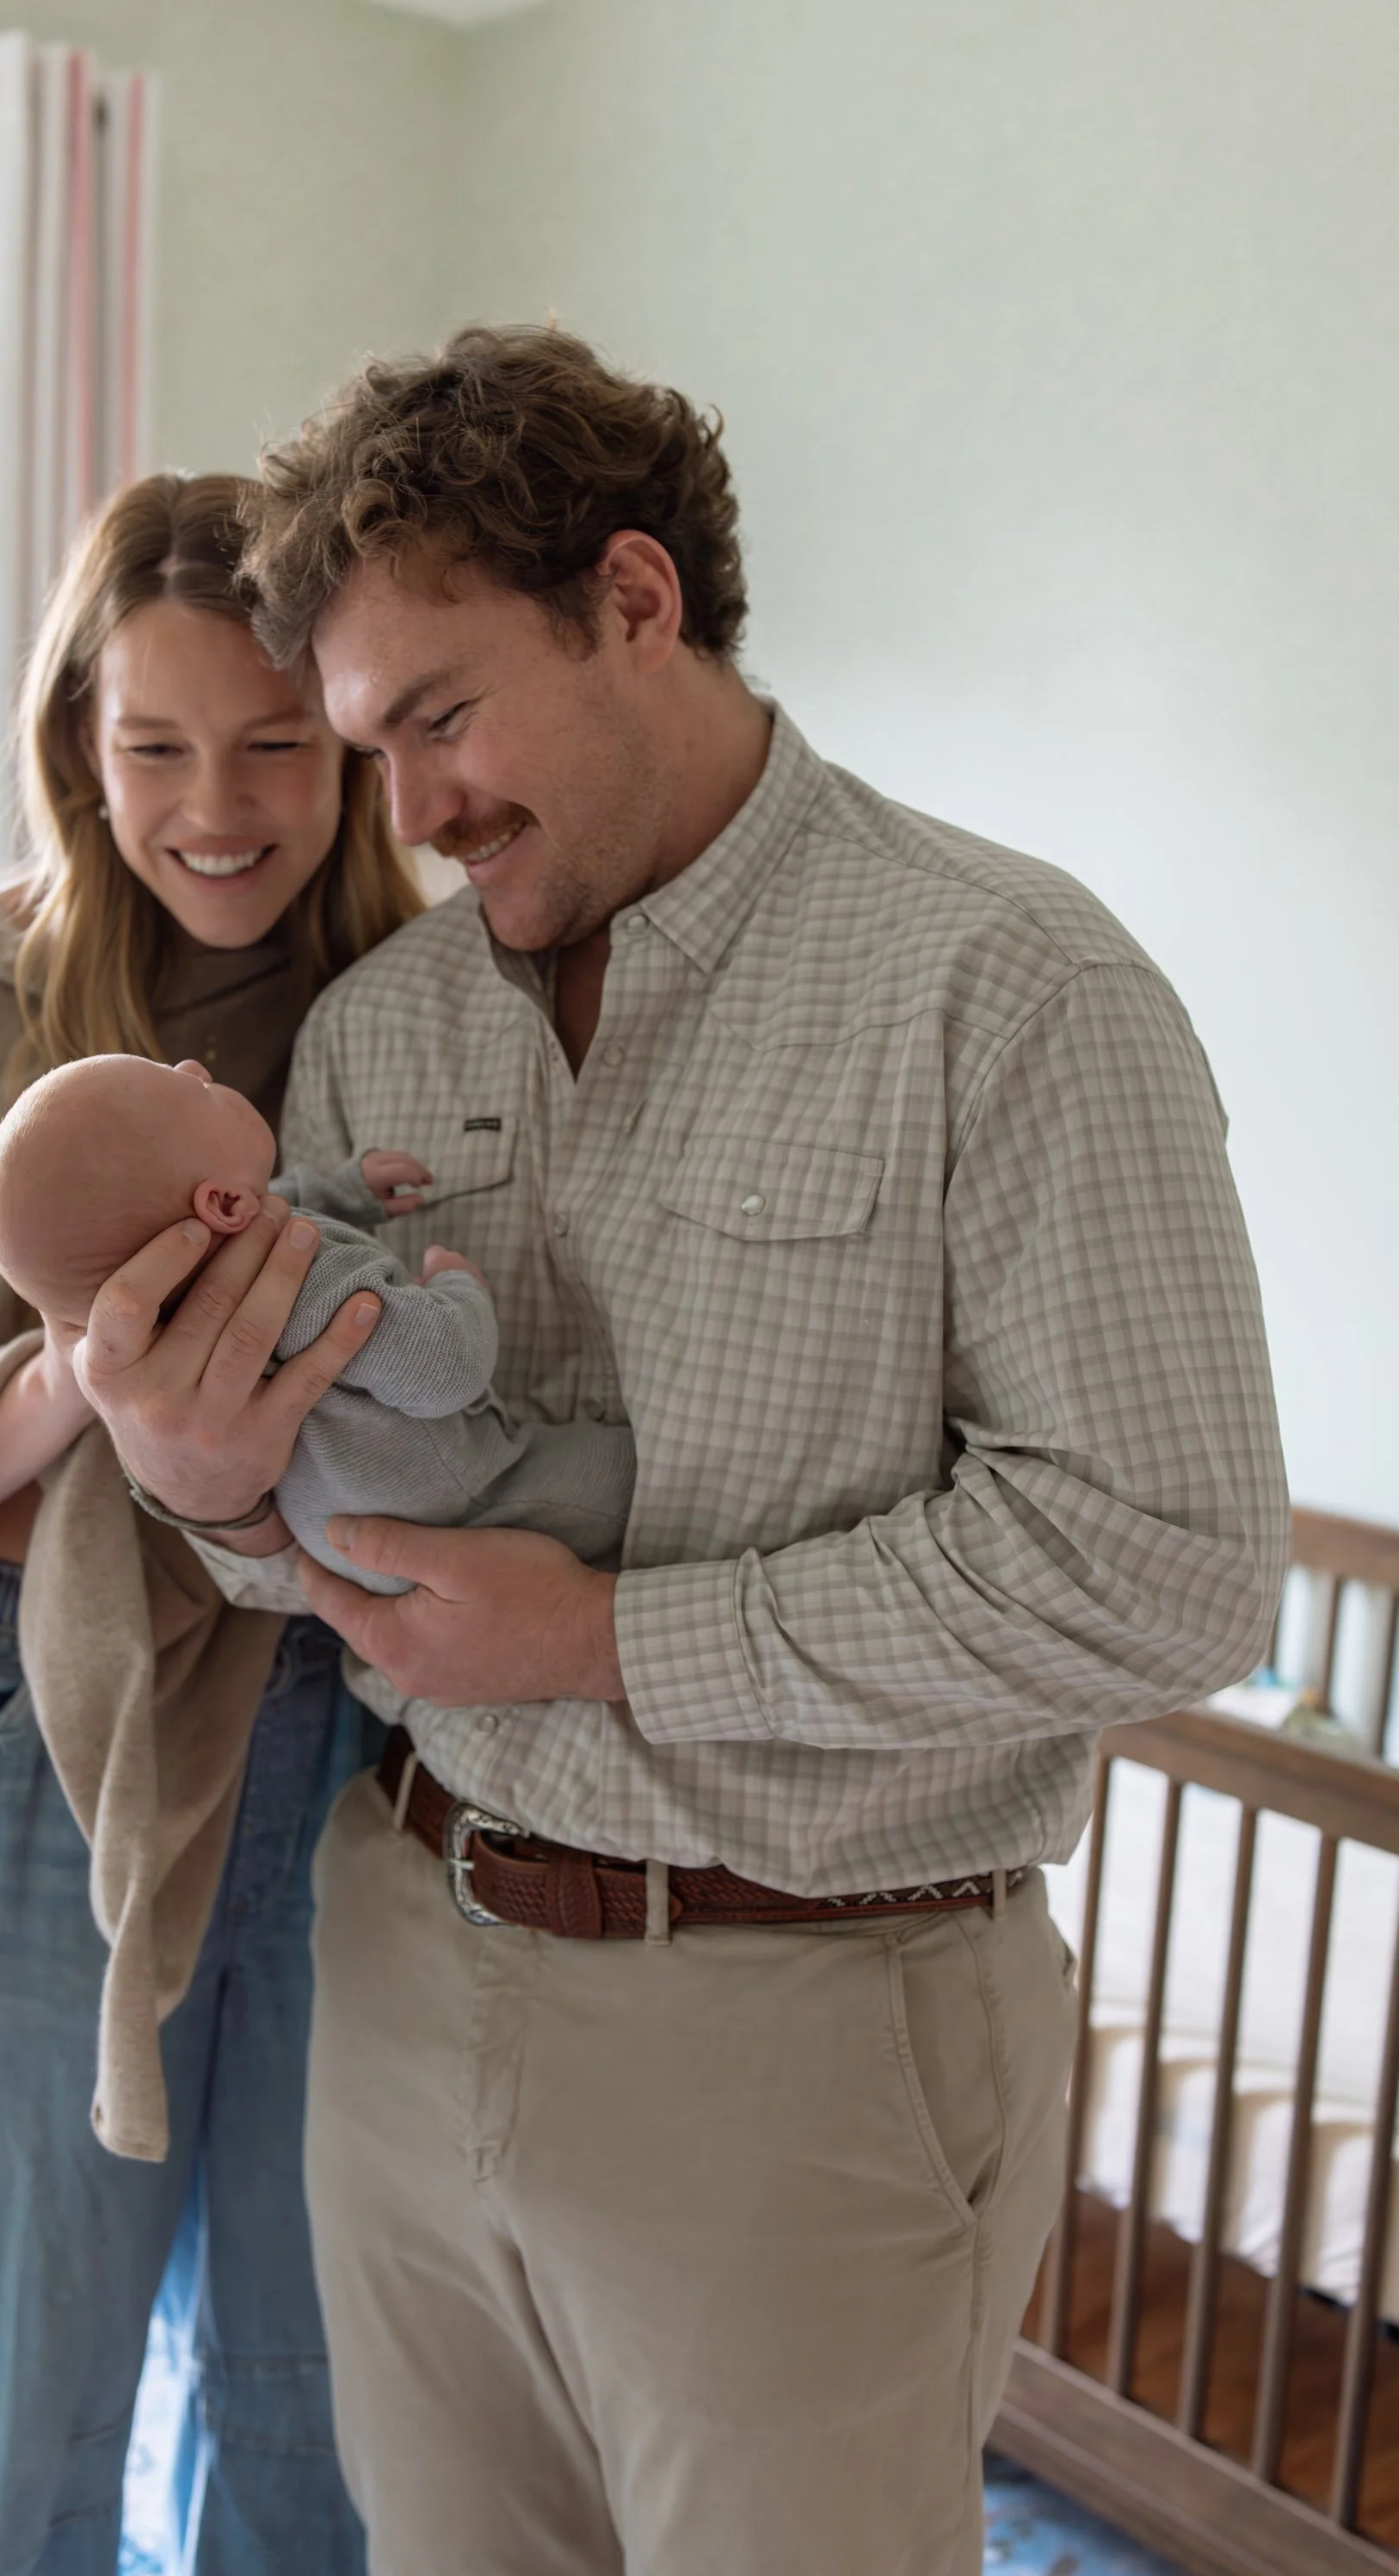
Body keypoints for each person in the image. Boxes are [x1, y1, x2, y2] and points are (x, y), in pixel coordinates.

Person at [77, 328, 1290, 2576]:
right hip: (404, 1956)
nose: (410, 812)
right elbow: (328, 1549)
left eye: (442, 718)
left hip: (807, 2026)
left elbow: (1174, 1564)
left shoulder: (1006, 987)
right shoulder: (381, 1030)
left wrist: (622, 1643)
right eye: (374, 749)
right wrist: (203, 1478)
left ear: (636, 602)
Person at [0, 473, 417, 2576]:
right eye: (155, 746)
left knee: (314, 2397)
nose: (217, 808)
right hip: (14, 1745)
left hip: (339, 1741)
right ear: (77, 741)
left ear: (348, 735)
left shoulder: (410, 1022)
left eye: (273, 746)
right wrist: (96, 1379)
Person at [0, 1050, 633, 1589]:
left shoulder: (195, 1291)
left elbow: (271, 1203)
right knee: (629, 1473)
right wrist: (458, 1284)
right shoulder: (312, 1284)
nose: (192, 1068)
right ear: (224, 1203)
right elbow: (446, 1369)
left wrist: (346, 1190)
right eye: (187, 1092)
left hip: (332, 1535)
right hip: (460, 1502)